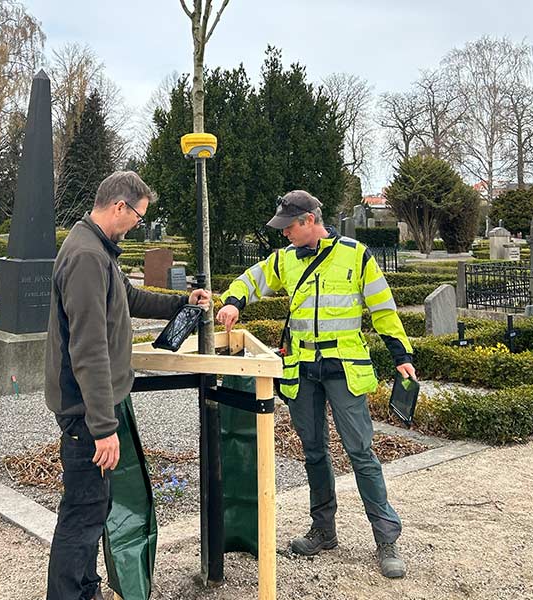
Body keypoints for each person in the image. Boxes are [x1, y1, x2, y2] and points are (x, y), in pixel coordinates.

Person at [216, 190, 415, 579]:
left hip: (344, 366)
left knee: (361, 453)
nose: (284, 234)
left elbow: (383, 309)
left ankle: (386, 538)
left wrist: (402, 356)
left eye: (289, 227)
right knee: (314, 452)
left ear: (309, 221)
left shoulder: (357, 255)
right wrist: (233, 301)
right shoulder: (285, 259)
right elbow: (253, 278)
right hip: (302, 368)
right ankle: (323, 530)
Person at [44, 170, 211, 600]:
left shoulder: (99, 250)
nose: (139, 223)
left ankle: (86, 587)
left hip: (92, 407)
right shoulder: (86, 257)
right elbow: (89, 348)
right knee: (82, 513)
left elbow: (129, 299)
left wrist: (180, 302)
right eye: (138, 215)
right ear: (119, 206)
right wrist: (103, 427)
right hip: (85, 411)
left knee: (94, 508)